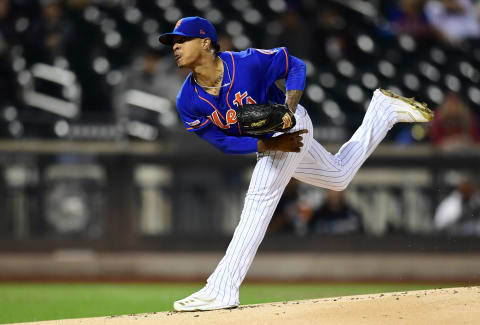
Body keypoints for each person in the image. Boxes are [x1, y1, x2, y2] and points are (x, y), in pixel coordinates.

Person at [158, 16, 434, 312]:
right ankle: (383, 112)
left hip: (291, 124)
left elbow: (295, 64)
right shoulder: (187, 99)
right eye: (173, 42)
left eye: (181, 40)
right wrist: (267, 144)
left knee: (259, 199)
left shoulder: (247, 63)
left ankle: (222, 289)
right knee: (337, 176)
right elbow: (222, 142)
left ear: (205, 43)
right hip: (272, 140)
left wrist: (287, 112)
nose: (175, 47)